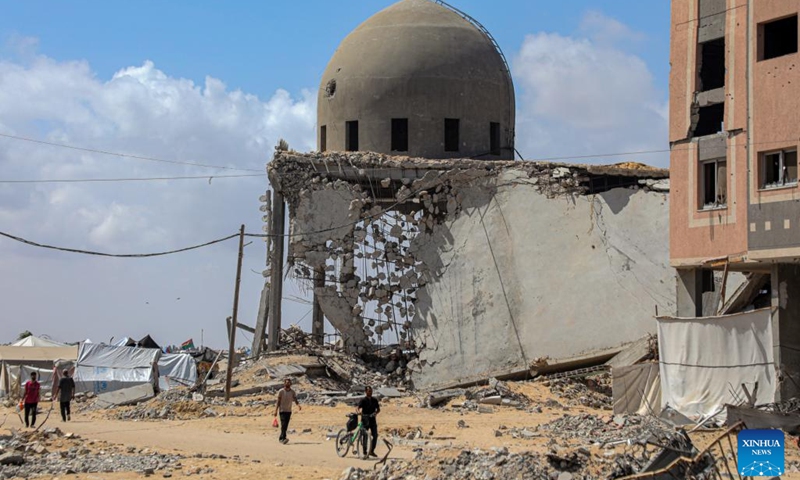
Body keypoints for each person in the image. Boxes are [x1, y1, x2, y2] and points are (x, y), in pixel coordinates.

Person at [273, 378, 301, 444]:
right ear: (284, 383)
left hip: (289, 410)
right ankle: (283, 438)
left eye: (289, 382)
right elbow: (278, 401)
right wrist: (275, 410)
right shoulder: (281, 391)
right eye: (286, 382)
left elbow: (295, 399)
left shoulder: (292, 392)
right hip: (282, 410)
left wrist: (298, 405)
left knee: (286, 425)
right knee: (283, 424)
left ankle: (281, 437)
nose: (288, 383)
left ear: (290, 384)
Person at [356, 386, 381, 457]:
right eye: (369, 391)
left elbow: (378, 409)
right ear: (366, 392)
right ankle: (364, 452)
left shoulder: (374, 400)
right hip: (365, 420)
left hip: (372, 420)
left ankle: (371, 451)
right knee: (365, 436)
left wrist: (375, 413)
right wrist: (359, 412)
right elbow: (358, 407)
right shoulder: (363, 400)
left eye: (371, 391)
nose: (370, 392)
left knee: (375, 435)